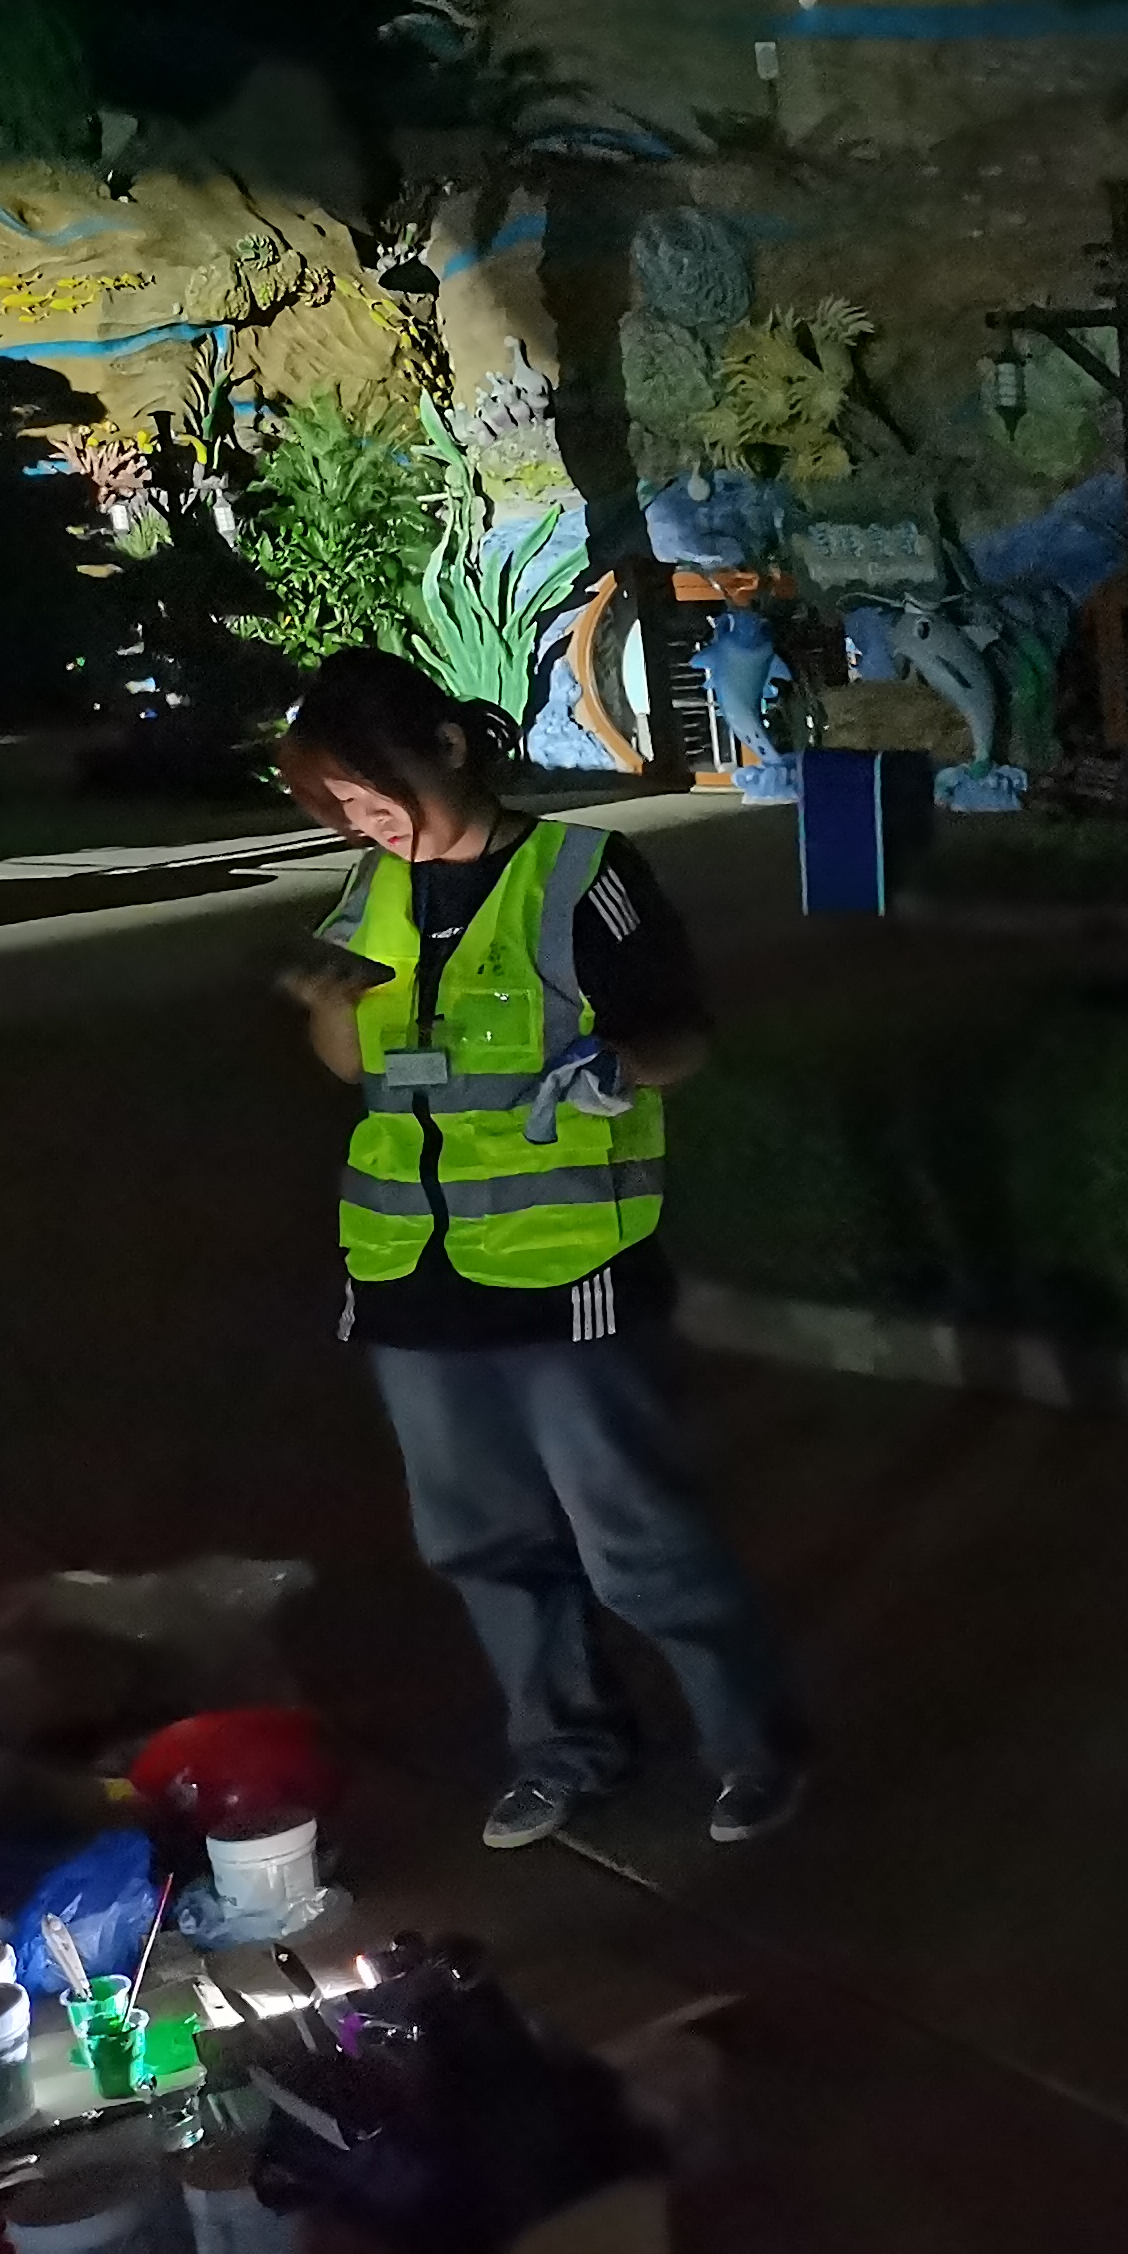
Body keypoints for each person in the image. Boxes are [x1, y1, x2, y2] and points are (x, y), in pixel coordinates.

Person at [272, 648, 804, 1850]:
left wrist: (618, 1066)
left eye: (372, 794)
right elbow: (353, 1068)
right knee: (479, 1541)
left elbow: (679, 1035)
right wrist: (328, 1007)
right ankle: (564, 1750)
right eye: (340, 809)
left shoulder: (581, 874)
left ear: (449, 748)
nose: (365, 825)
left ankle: (751, 1748)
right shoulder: (374, 887)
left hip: (570, 1273)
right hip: (411, 1278)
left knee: (635, 1538)